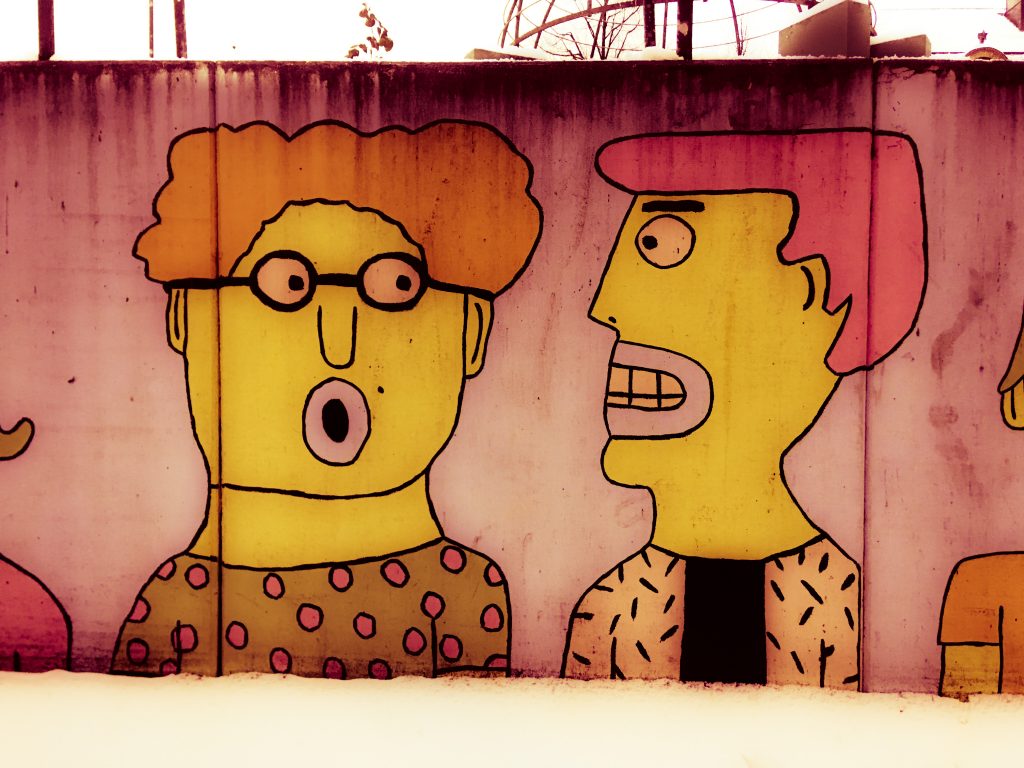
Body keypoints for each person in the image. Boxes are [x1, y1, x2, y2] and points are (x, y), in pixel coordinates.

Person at [111, 120, 540, 679]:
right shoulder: (177, 607)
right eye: (285, 284)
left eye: (397, 286)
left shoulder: (463, 596)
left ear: (474, 332)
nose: (338, 343)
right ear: (183, 319)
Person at [562, 130, 926, 687]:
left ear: (819, 299)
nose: (606, 305)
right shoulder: (610, 612)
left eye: (661, 244)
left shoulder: (844, 610)